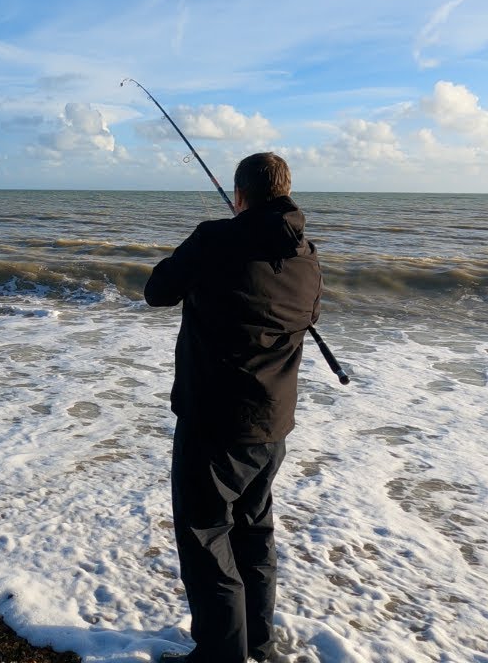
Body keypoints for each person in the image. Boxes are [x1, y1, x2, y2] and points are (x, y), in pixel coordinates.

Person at [145, 152, 322, 662]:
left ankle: (220, 656)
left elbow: (157, 291)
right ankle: (258, 648)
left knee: (206, 541)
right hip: (271, 430)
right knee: (254, 536)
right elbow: (306, 313)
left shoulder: (214, 240)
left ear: (239, 195)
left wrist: (212, 247)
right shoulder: (307, 255)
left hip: (212, 426)